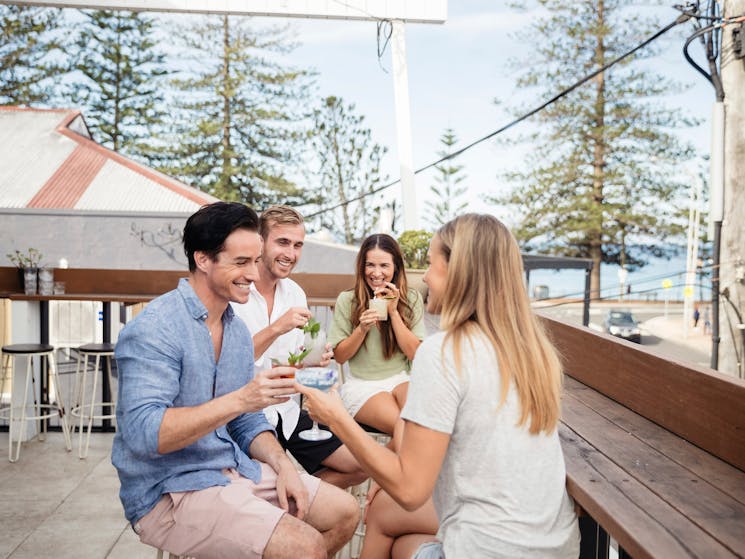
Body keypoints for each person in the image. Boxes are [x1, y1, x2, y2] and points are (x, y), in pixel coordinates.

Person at [300, 214, 580, 558]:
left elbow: (409, 489)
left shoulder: (446, 352)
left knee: (390, 513)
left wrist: (336, 417)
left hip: (488, 549)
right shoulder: (533, 350)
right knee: (391, 525)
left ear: (460, 273)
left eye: (432, 264)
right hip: (554, 545)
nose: (426, 277)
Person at [112, 202, 358, 559]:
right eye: (241, 263)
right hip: (169, 490)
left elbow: (246, 421)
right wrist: (244, 398)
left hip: (232, 469)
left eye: (255, 262)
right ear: (203, 259)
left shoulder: (236, 331)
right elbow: (144, 434)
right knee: (307, 546)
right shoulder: (155, 328)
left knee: (346, 514)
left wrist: (283, 465)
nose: (255, 275)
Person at [231, 204, 367, 489]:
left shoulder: (295, 293)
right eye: (282, 242)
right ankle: (290, 501)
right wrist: (276, 327)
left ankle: (302, 501)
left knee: (359, 465)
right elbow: (230, 362)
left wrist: (312, 362)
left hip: (288, 411)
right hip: (246, 417)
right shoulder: (236, 291)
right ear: (260, 242)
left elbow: (293, 361)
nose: (290, 254)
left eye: (297, 245)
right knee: (266, 483)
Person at [328, 233, 426, 435]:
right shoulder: (348, 300)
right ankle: (388, 467)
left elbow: (416, 353)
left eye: (384, 266)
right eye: (370, 265)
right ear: (362, 267)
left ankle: (383, 467)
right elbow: (339, 356)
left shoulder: (411, 298)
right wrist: (361, 329)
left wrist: (393, 312)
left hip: (402, 378)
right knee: (402, 426)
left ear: (395, 268)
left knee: (420, 423)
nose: (376, 273)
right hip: (362, 385)